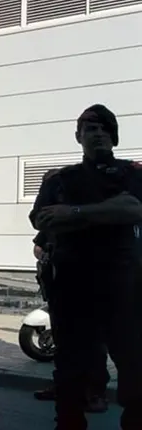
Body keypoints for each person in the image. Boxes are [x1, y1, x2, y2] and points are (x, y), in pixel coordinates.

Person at [30, 104, 142, 429]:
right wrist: (105, 212)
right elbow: (43, 218)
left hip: (123, 286)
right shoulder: (58, 179)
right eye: (90, 129)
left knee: (134, 366)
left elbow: (133, 209)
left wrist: (73, 214)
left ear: (114, 137)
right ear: (78, 136)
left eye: (105, 129)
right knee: (69, 371)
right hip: (72, 287)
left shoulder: (132, 173)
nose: (98, 135)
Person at [31, 172, 110, 413]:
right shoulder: (52, 218)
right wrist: (45, 253)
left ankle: (95, 393)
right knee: (63, 342)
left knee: (92, 341)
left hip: (88, 286)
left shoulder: (84, 214)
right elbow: (39, 244)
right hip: (58, 285)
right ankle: (64, 388)